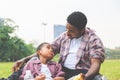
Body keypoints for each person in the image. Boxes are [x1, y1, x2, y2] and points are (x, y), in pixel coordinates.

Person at [12, 11, 105, 80]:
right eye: (67, 28)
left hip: (82, 73)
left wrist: (84, 78)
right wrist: (25, 59)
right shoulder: (64, 36)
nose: (67, 33)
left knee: (98, 78)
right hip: (62, 71)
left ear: (82, 30)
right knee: (33, 61)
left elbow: (95, 65)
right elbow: (48, 49)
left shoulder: (94, 40)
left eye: (71, 31)